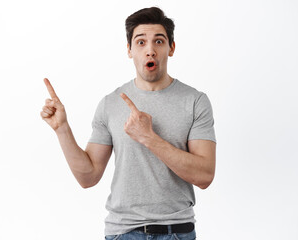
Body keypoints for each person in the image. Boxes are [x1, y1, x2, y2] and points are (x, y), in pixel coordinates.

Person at [40, 6, 216, 240]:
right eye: (141, 42)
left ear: (171, 48)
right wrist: (62, 129)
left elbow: (204, 176)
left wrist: (148, 138)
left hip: (177, 231)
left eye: (159, 42)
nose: (150, 50)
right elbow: (88, 177)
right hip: (123, 233)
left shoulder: (195, 101)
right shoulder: (110, 104)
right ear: (129, 50)